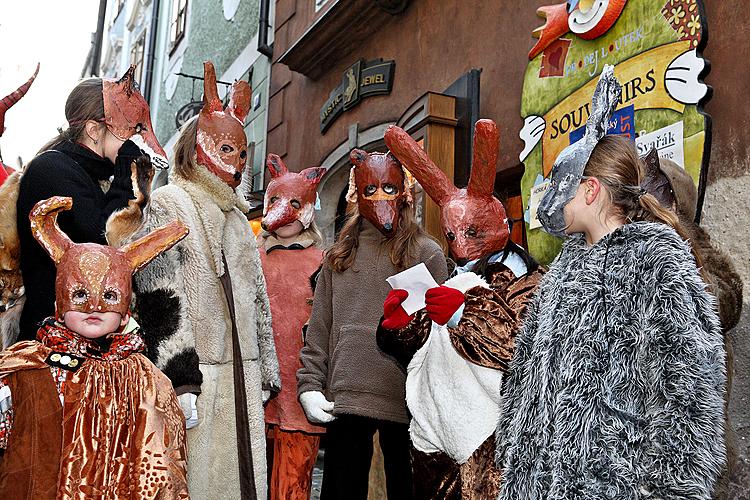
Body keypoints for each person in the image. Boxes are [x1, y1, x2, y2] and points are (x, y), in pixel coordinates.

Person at [495, 66, 726, 499]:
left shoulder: (657, 260)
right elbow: (524, 377)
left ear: (589, 190)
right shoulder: (563, 270)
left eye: (560, 185)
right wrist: (516, 456)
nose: (550, 198)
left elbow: (688, 394)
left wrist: (668, 491)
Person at [132, 61, 280, 499]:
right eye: (225, 149)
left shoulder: (237, 218)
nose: (235, 162)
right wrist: (179, 378)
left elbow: (258, 300)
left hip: (243, 377)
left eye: (241, 152)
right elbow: (160, 292)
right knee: (198, 483)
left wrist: (266, 367)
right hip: (201, 379)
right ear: (198, 146)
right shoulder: (169, 202)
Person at [377, 120, 544, 499]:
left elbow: (520, 346)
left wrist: (466, 314)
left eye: (471, 233)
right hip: (433, 444)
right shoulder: (452, 276)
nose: (460, 246)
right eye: (452, 235)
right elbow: (423, 348)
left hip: (492, 445)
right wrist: (401, 326)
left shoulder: (531, 281)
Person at [0, 195, 189, 499]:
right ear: (59, 302)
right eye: (79, 294)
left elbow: (162, 467)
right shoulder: (24, 368)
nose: (94, 306)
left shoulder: (146, 381)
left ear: (126, 308)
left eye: (110, 296)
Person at [297, 148, 448, 500]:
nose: (380, 197)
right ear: (355, 193)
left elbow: (440, 338)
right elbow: (319, 329)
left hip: (405, 407)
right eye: (370, 190)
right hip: (346, 403)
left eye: (389, 188)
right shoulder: (337, 256)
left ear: (405, 191)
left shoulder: (426, 253)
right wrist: (310, 384)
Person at [15, 66, 167, 341]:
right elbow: (103, 239)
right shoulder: (52, 168)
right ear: (94, 129)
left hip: (85, 340)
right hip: (52, 344)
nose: (135, 141)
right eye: (130, 130)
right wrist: (126, 169)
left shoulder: (88, 175)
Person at [259, 153, 327, 500]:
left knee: (292, 484)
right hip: (259, 392)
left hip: (300, 391)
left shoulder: (323, 262)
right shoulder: (252, 255)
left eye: (294, 202)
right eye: (274, 200)